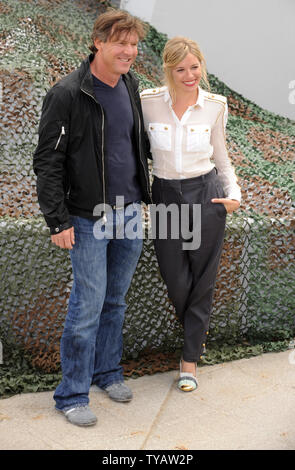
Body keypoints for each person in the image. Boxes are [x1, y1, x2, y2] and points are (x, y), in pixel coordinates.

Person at [33, 9, 151, 426]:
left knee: (115, 302)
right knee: (87, 306)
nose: (129, 51)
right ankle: (71, 395)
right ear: (98, 42)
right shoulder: (67, 93)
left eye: (134, 44)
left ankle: (107, 373)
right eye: (121, 42)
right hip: (87, 218)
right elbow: (47, 162)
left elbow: (133, 146)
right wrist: (57, 220)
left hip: (131, 214)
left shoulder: (131, 85)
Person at [141, 36, 241, 392]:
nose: (189, 75)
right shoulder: (147, 103)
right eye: (181, 69)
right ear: (168, 69)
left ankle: (189, 361)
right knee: (176, 277)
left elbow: (222, 156)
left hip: (206, 195)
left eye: (194, 67)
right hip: (166, 196)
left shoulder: (215, 105)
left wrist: (234, 195)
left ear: (202, 65)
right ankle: (197, 338)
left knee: (204, 278)